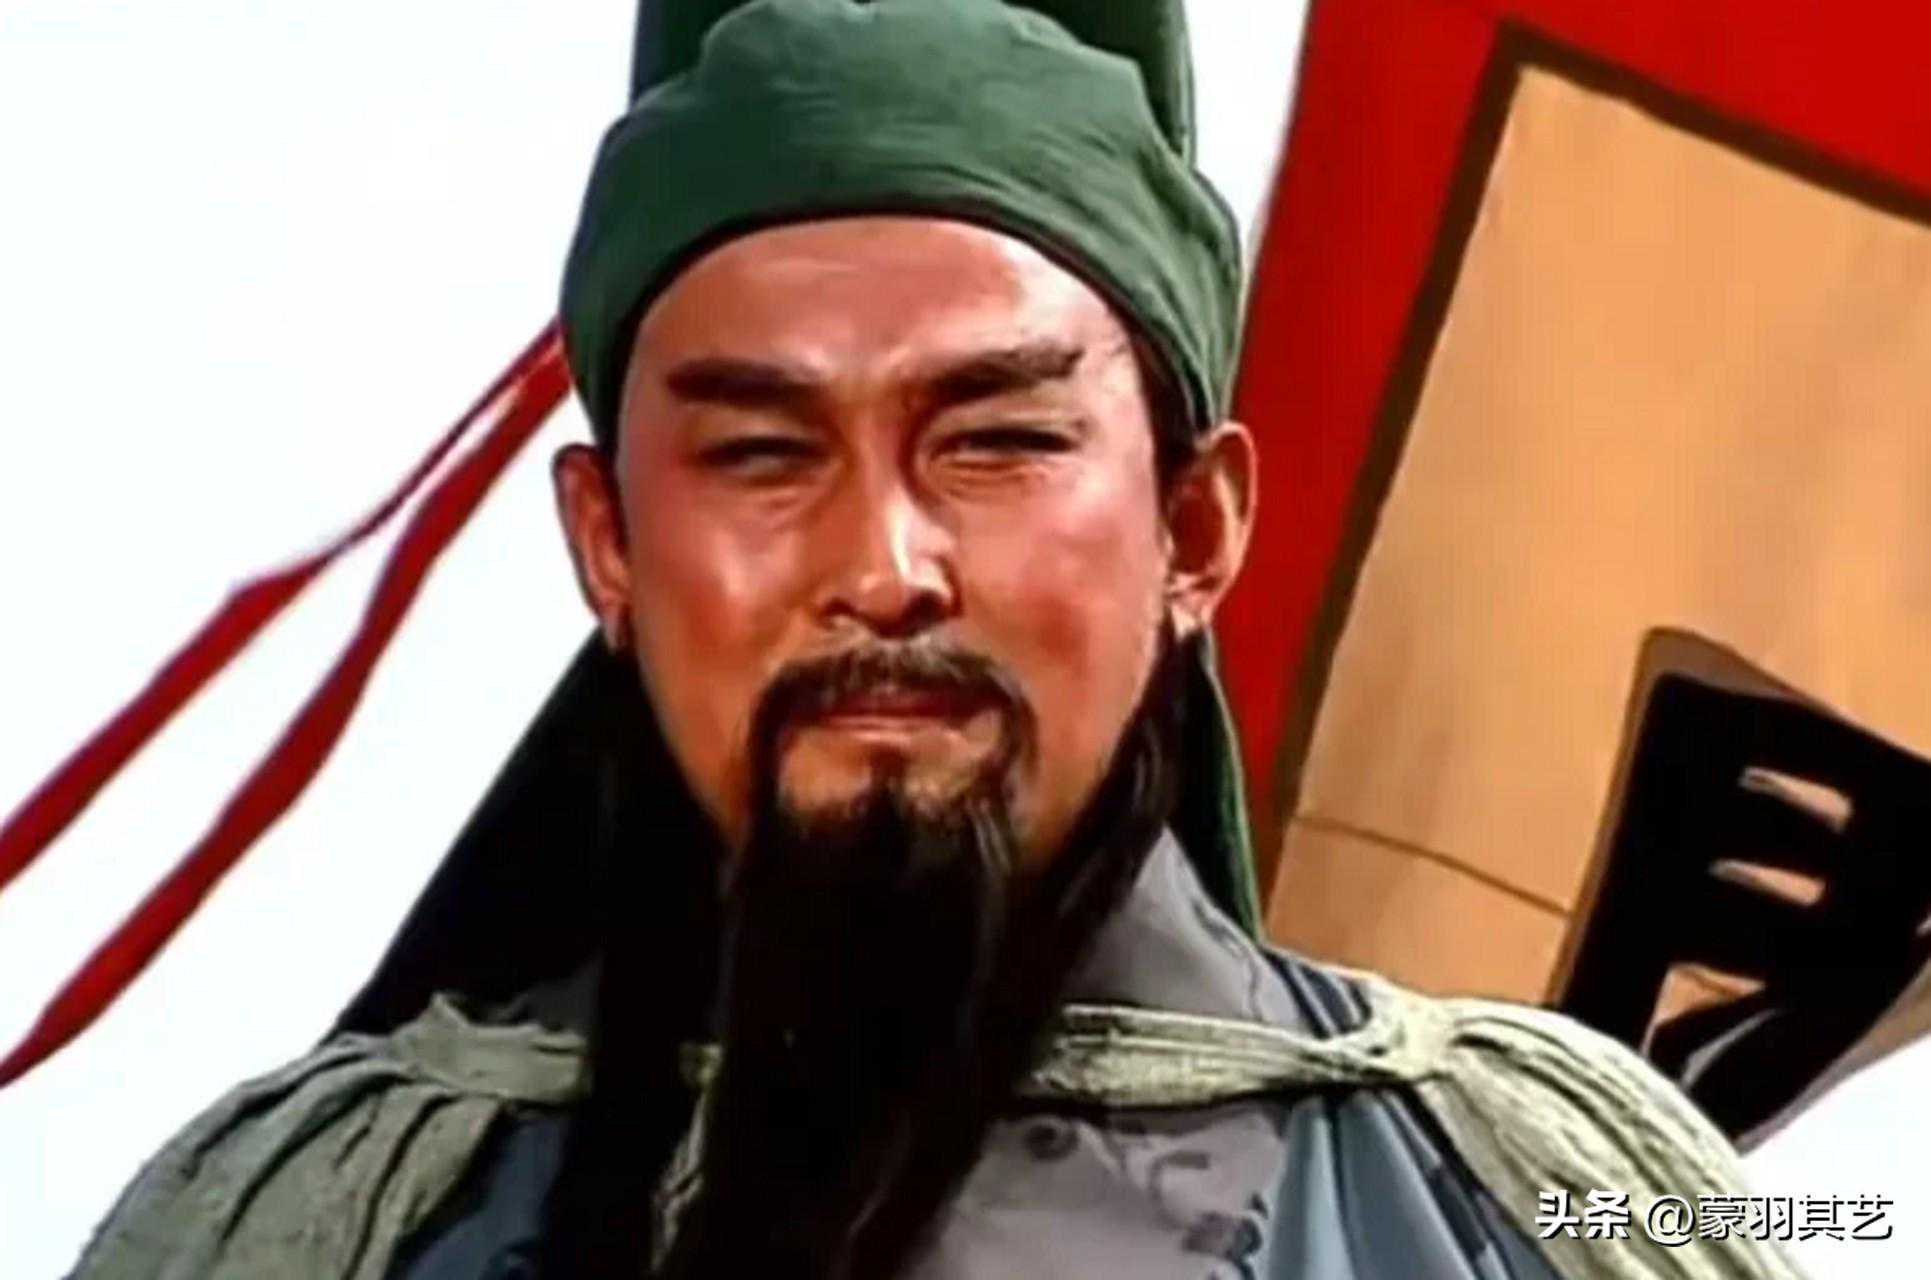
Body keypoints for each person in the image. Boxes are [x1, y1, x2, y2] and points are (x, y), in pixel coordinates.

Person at [73, 2, 1801, 1277]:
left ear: (1199, 529)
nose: (884, 567)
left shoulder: (1547, 1202)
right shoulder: (317, 1225)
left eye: (996, 443)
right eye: (763, 455)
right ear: (607, 544)